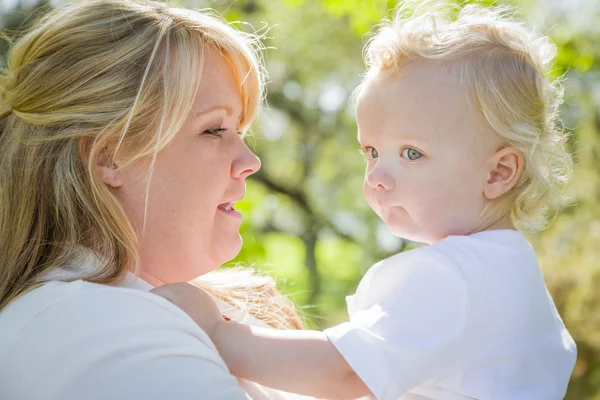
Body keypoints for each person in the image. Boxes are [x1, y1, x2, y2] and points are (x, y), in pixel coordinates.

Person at [152, 2, 578, 399]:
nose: (376, 177)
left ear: (498, 172)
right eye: (371, 152)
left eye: (412, 154)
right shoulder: (511, 274)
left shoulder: (452, 276)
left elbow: (346, 373)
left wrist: (217, 331)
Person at [0, 0, 308, 399]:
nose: (250, 161)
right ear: (111, 155)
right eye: (214, 129)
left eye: (240, 131)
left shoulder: (124, 315)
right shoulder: (92, 329)